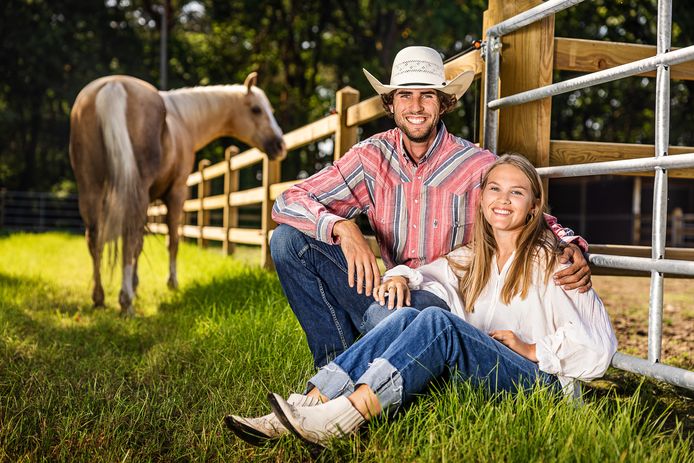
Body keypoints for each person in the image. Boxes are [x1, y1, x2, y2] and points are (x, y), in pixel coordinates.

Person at [226, 154, 617, 448]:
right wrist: (396, 274)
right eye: (495, 189)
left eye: (516, 192)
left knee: (436, 322)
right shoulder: (472, 259)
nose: (503, 199)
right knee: (409, 317)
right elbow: (425, 274)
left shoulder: (555, 261)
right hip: (491, 379)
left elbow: (600, 351)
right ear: (480, 201)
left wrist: (532, 349)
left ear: (535, 207)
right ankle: (308, 405)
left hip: (544, 389)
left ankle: (346, 416)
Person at [270, 45, 592, 370]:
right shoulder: (370, 157)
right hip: (391, 285)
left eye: (427, 95)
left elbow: (532, 213)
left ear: (443, 102)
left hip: (443, 298)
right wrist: (342, 227)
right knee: (287, 242)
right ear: (391, 103)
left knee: (390, 317)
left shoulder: (475, 165)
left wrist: (567, 244)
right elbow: (288, 201)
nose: (416, 107)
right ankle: (333, 367)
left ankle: (375, 357)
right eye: (405, 95)